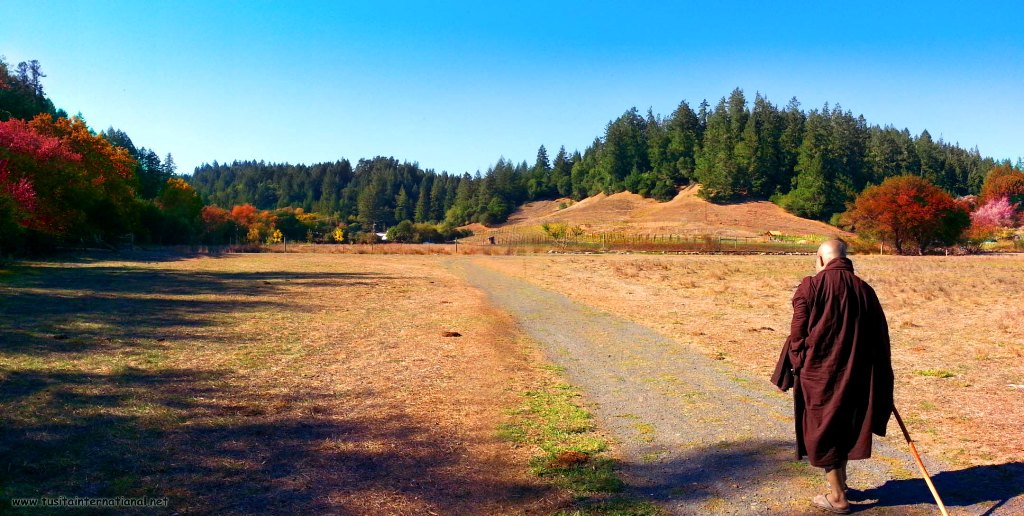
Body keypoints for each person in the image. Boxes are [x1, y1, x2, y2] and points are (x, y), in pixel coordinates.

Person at [771, 238, 894, 514]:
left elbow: (797, 334)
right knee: (843, 425)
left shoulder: (811, 286)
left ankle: (838, 497)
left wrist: (796, 364)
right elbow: (879, 338)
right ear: (845, 258)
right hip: (857, 373)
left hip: (820, 374)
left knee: (823, 429)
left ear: (821, 259)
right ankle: (843, 485)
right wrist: (879, 373)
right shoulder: (865, 289)